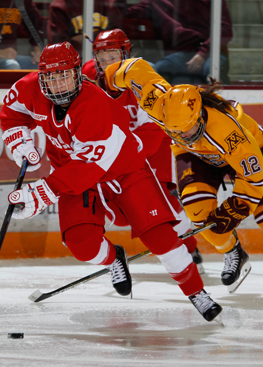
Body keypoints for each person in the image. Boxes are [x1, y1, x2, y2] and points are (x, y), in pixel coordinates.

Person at [0, 41, 222, 323]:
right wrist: (18, 137)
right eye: (50, 76)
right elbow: (13, 112)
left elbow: (88, 165)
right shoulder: (30, 87)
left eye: (64, 74)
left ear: (77, 73)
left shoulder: (93, 105)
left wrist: (45, 191)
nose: (57, 83)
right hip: (74, 174)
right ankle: (114, 259)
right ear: (42, 75)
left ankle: (196, 293)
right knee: (81, 244)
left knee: (161, 238)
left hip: (124, 170)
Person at [103, 57, 263, 294]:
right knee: (199, 213)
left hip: (243, 156)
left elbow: (253, 178)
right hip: (195, 154)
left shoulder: (230, 133)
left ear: (199, 116)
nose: (182, 134)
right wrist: (107, 82)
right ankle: (234, 253)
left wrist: (238, 206)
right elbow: (133, 68)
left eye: (187, 130)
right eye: (175, 131)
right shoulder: (156, 101)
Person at [82, 28, 206, 273]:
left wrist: (123, 154)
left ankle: (189, 247)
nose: (107, 62)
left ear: (126, 54)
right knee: (121, 211)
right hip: (112, 149)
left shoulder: (141, 76)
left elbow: (151, 129)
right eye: (102, 56)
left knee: (165, 202)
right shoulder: (87, 74)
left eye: (113, 55)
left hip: (151, 145)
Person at [126, 0, 233, 84]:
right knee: (157, 72)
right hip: (179, 55)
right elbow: (127, 12)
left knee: (214, 72)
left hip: (211, 53)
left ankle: (225, 106)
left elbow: (225, 29)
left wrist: (203, 53)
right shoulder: (155, 1)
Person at [47, 0, 126, 55]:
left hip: (107, 59)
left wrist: (82, 39)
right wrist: (99, 40)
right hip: (73, 64)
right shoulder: (58, 6)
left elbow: (117, 39)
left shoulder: (110, 4)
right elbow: (59, 46)